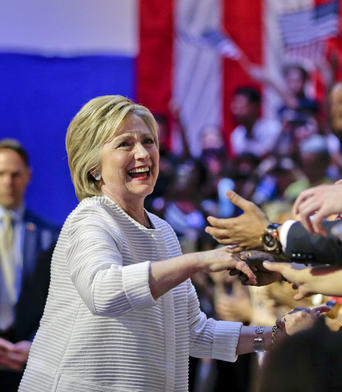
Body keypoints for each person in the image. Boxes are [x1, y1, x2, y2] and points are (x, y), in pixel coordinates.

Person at [19, 95, 286, 392]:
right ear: (93, 166)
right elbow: (104, 293)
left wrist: (277, 336)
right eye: (125, 144)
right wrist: (199, 260)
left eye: (148, 142)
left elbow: (193, 332)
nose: (144, 153)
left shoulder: (163, 231)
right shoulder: (90, 219)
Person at [0, 139, 60, 392]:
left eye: (15, 174)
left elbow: (58, 300)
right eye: (1, 174)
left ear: (28, 176)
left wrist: (36, 343)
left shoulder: (50, 235)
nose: (8, 182)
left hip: (31, 360)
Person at [230, 86, 281, 158]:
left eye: (241, 105)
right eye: (236, 105)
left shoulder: (273, 129)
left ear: (255, 106)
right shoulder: (237, 135)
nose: (237, 110)